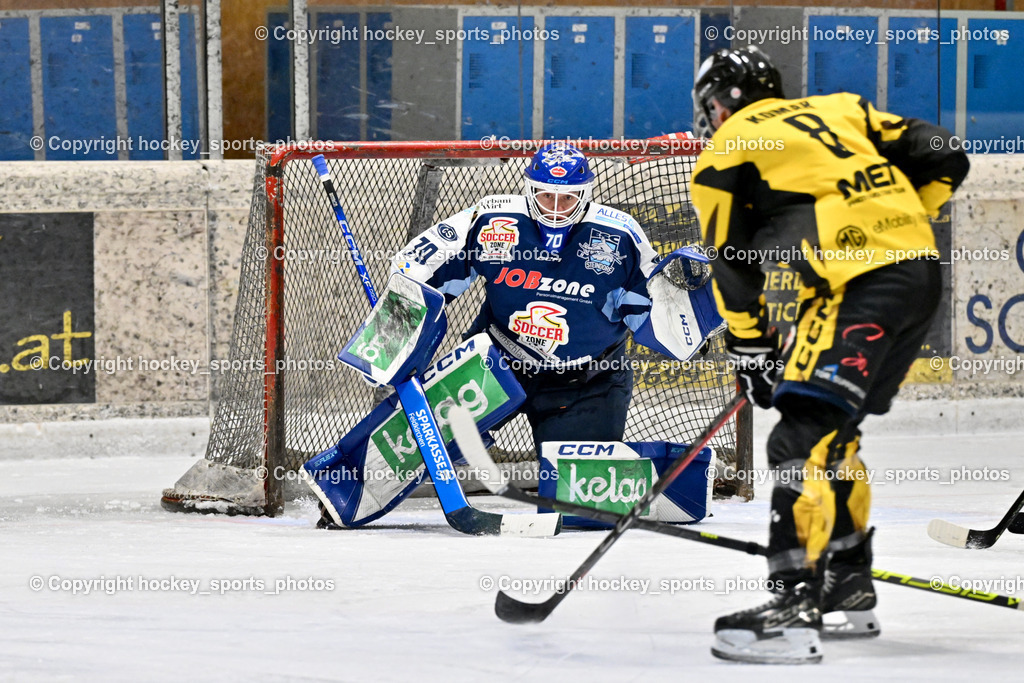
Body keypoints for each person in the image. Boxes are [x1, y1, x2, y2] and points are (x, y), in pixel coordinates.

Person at [689, 46, 969, 664]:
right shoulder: (840, 109)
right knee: (832, 435)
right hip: (917, 271)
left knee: (796, 439)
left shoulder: (725, 149)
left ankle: (792, 605)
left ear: (716, 102)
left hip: (858, 285)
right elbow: (946, 153)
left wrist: (752, 349)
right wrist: (897, 225)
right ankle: (848, 580)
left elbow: (732, 267)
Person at [391, 142, 719, 457]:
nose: (557, 208)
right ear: (530, 189)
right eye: (547, 196)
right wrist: (392, 333)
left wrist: (703, 312)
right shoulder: (494, 220)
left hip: (586, 382)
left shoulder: (620, 235)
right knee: (406, 449)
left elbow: (653, 313)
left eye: (568, 198)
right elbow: (419, 269)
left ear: (586, 193)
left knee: (578, 496)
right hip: (495, 363)